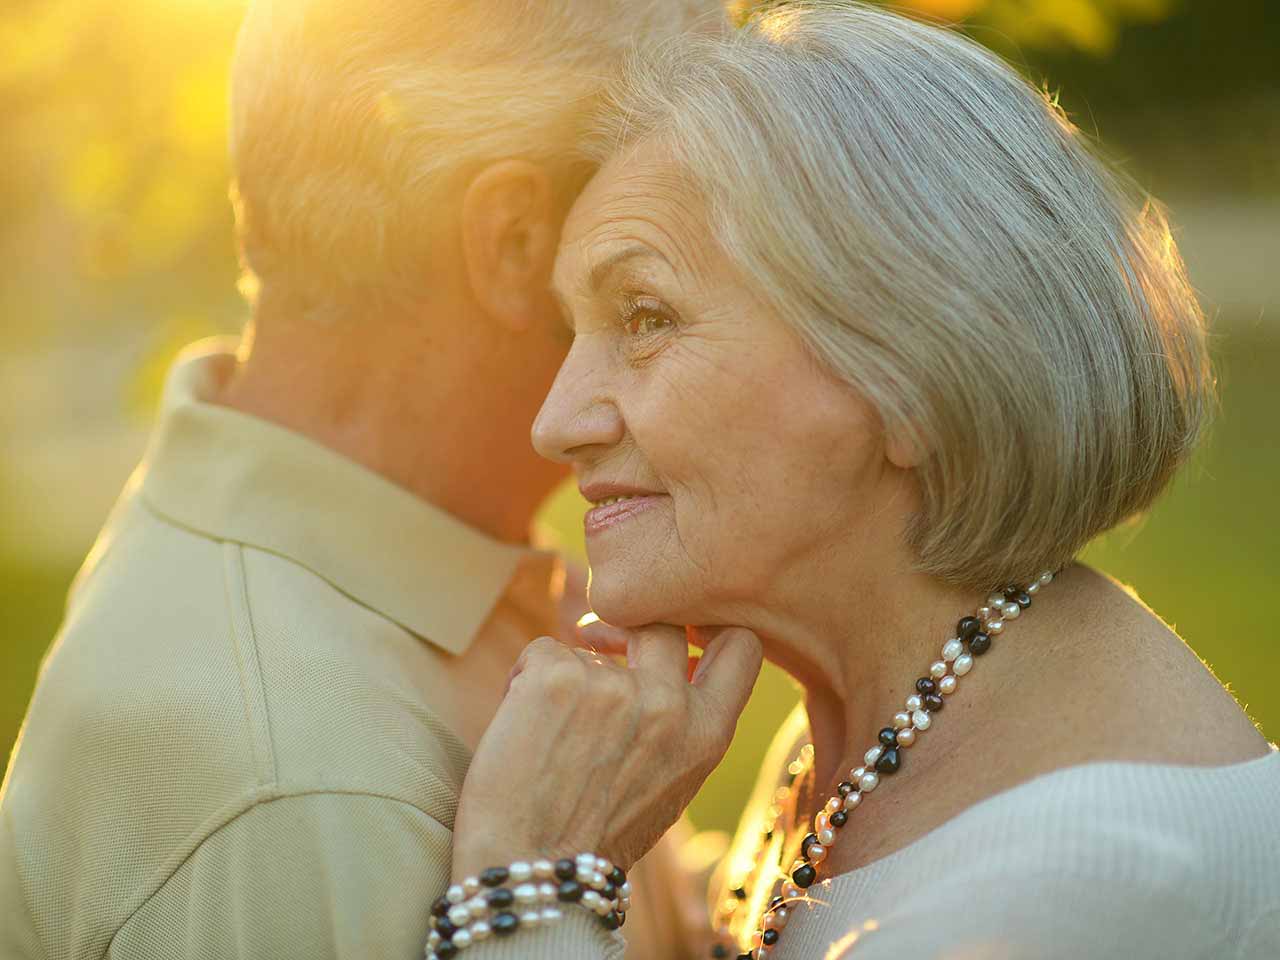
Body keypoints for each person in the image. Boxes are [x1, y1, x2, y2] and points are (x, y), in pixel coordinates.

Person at [443, 4, 1280, 959]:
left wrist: (532, 883)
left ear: (915, 375)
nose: (557, 424)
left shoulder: (1072, 901)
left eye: (644, 315)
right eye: (575, 332)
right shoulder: (861, 736)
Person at [0, 2, 726, 958]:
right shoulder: (313, 795)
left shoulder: (374, 569)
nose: (734, 265)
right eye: (697, 209)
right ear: (514, 242)